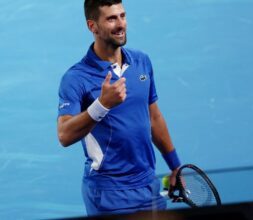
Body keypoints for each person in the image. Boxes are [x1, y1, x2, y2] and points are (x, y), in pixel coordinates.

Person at [57, 0, 181, 216]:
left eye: (122, 16)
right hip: (108, 193)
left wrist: (175, 165)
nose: (120, 24)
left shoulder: (142, 62)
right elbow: (64, 135)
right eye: (111, 19)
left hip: (147, 186)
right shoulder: (76, 78)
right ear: (92, 26)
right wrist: (102, 104)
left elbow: (154, 118)